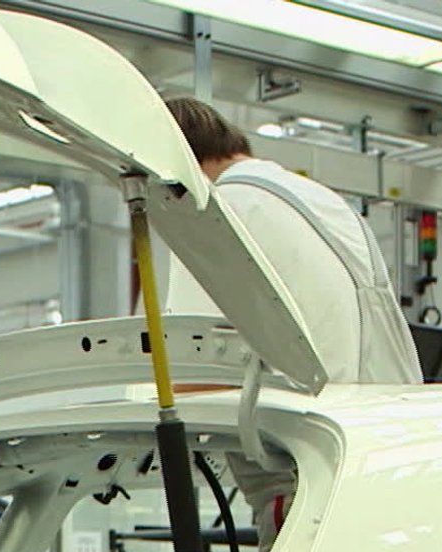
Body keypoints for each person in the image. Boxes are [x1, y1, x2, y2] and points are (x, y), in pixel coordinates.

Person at [160, 96, 423, 387]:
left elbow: (195, 372)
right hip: (362, 411)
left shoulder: (215, 213)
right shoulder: (327, 202)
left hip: (287, 424)